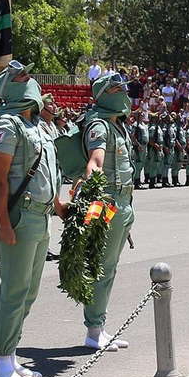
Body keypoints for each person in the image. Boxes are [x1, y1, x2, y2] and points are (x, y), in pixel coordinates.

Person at [0, 63, 61, 377]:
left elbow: (50, 171)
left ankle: (12, 356)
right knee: (14, 290)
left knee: (28, 292)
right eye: (22, 76)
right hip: (21, 217)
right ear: (9, 87)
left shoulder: (35, 124)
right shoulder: (8, 123)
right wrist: (3, 224)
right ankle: (2, 361)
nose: (29, 78)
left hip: (41, 216)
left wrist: (58, 206)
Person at [75, 72, 135, 351]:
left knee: (109, 267)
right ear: (102, 95)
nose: (123, 92)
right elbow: (95, 162)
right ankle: (94, 330)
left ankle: (99, 326)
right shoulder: (99, 125)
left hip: (123, 202)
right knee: (101, 267)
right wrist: (93, 201)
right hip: (107, 203)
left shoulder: (118, 125)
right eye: (116, 89)